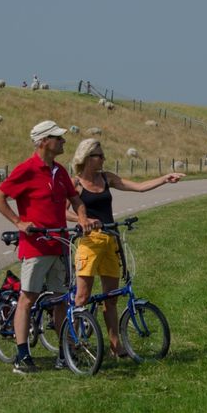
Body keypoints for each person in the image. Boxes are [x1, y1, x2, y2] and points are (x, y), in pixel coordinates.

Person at [0, 120, 95, 374]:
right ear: (43, 142)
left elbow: (76, 200)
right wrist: (19, 221)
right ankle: (22, 355)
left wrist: (82, 219)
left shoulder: (59, 171)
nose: (63, 141)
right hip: (36, 247)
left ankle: (63, 353)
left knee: (60, 301)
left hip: (58, 245)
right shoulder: (26, 169)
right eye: (58, 138)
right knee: (28, 298)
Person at [66, 139, 184, 358]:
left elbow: (138, 187)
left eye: (102, 155)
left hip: (111, 240)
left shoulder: (106, 178)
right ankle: (72, 343)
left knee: (111, 298)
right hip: (89, 243)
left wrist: (165, 179)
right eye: (98, 155)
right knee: (82, 297)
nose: (103, 159)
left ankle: (115, 345)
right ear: (86, 158)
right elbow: (63, 212)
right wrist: (84, 219)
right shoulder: (76, 184)